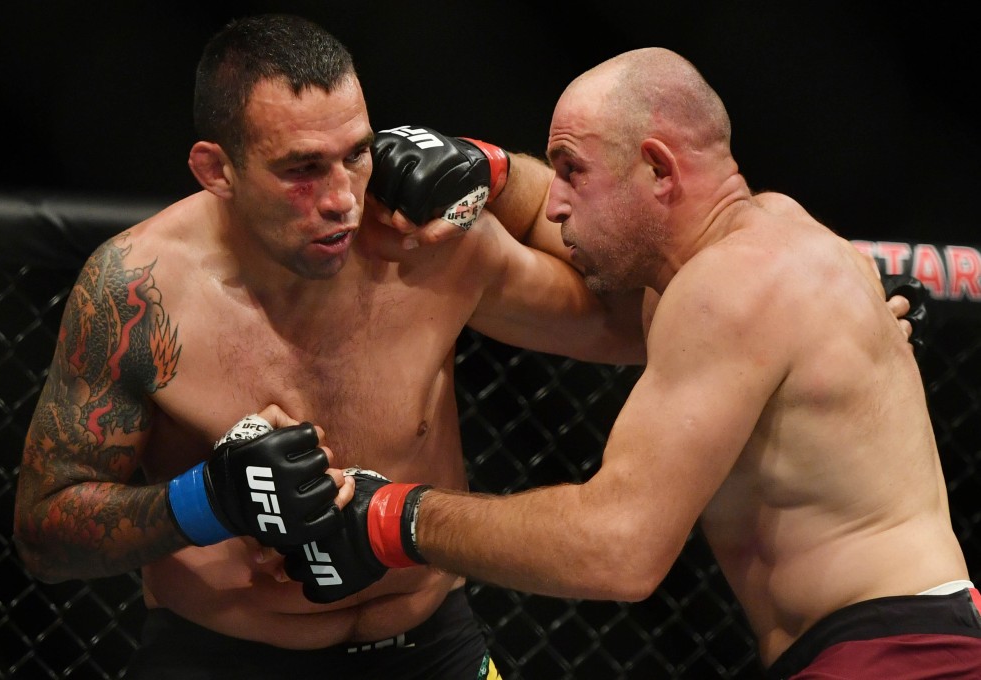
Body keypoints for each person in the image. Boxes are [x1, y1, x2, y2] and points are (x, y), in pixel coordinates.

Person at [291, 48, 981, 678]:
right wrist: (489, 167)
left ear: (657, 168)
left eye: (572, 170)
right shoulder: (748, 254)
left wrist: (392, 519)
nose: (555, 201)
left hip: (903, 655)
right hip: (891, 639)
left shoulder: (732, 286)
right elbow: (556, 234)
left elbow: (616, 549)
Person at [10, 14, 650, 680]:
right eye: (302, 170)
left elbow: (633, 324)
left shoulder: (427, 246)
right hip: (221, 660)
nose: (343, 198)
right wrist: (210, 501)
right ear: (217, 170)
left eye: (356, 154)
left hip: (432, 648)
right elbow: (44, 535)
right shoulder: (138, 294)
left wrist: (498, 172)